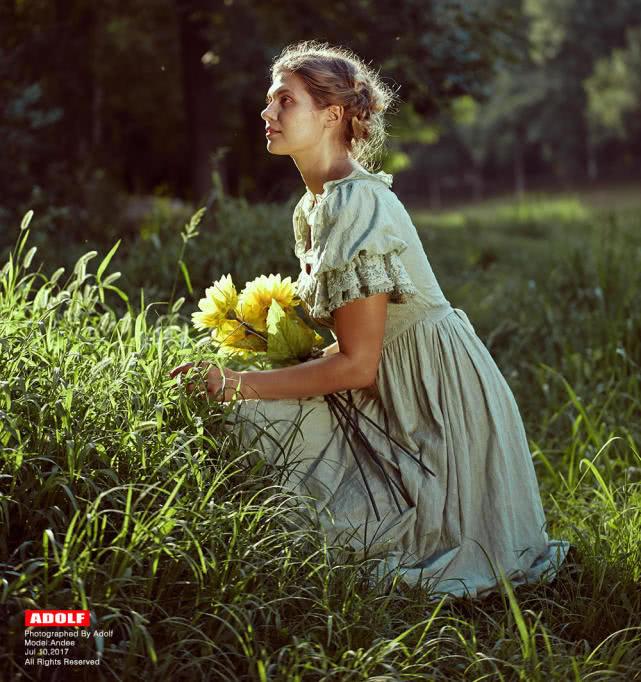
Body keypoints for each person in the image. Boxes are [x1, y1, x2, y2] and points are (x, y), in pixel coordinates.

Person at [170, 41, 568, 597]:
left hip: (433, 401)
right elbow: (356, 350)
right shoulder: (316, 206)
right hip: (390, 385)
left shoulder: (356, 204)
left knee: (249, 419)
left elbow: (359, 364)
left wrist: (239, 385)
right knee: (262, 420)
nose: (267, 113)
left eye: (284, 100)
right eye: (269, 102)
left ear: (332, 115)